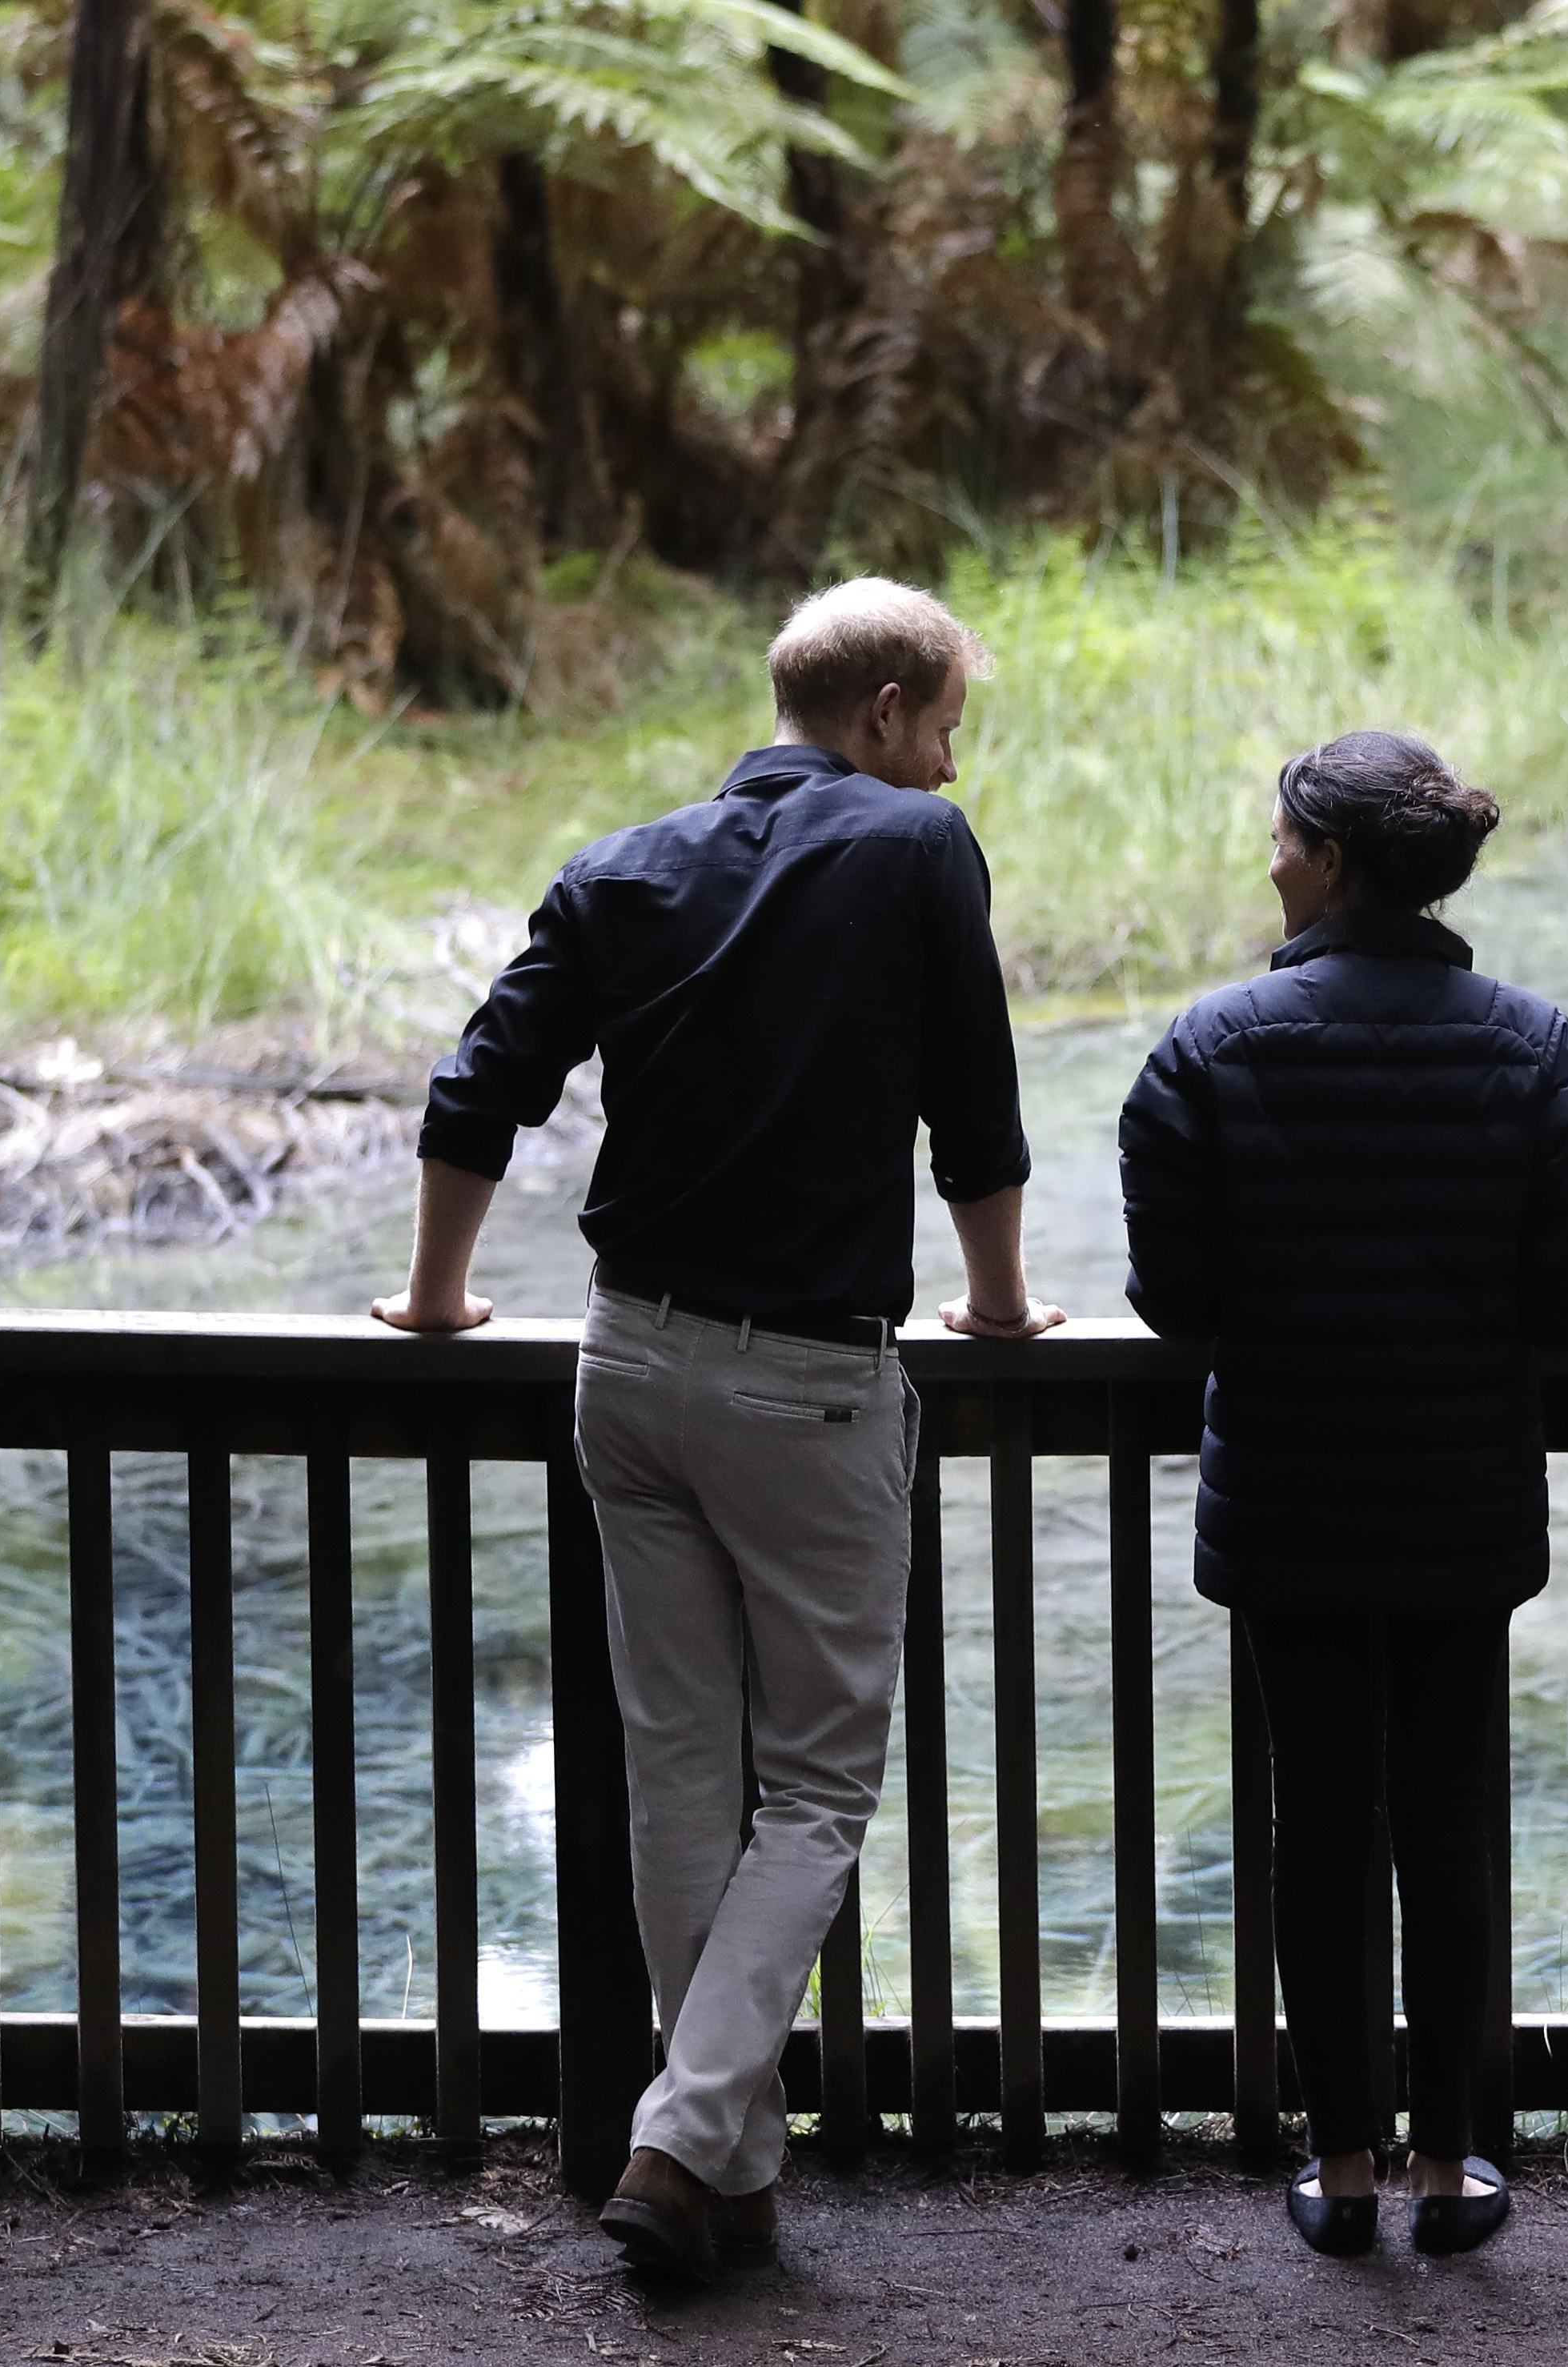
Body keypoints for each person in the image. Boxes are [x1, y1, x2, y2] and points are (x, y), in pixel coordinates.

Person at [374, 576, 1065, 2280]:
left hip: (627, 1367)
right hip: (807, 1378)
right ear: (888, 709)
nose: (950, 772)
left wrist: (442, 1299)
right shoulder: (914, 854)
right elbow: (969, 1104)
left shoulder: (623, 865)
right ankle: (683, 2138)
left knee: (681, 1770)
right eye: (948, 735)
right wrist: (992, 1303)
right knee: (818, 1789)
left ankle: (726, 2175)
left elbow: (480, 1086)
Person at [1118, 730, 1568, 2258]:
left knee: (1318, 1823)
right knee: (1449, 1817)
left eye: (1283, 838)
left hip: (1285, 1488)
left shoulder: (1208, 1049)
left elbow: (1176, 1303)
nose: (1270, 860)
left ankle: (1342, 2166)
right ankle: (1448, 2168)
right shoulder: (1545, 1053)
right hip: (1464, 1489)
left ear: (1332, 862)